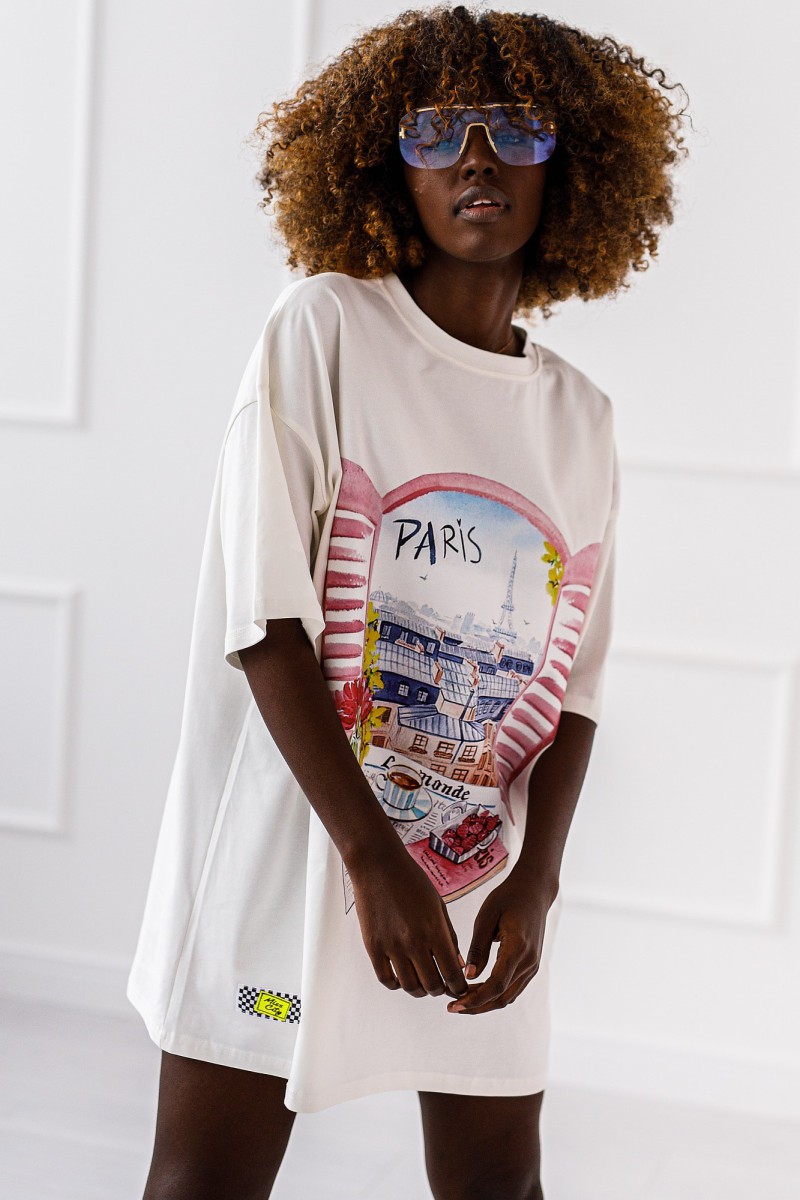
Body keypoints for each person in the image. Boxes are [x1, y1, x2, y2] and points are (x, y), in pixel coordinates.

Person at [128, 6, 688, 1198]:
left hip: (477, 876)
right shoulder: (324, 328)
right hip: (296, 858)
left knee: (498, 1186)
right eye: (436, 132)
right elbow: (266, 621)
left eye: (514, 130)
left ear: (572, 162)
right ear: (388, 166)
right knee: (203, 1183)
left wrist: (535, 882)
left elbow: (573, 688)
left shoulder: (579, 417)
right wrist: (371, 862)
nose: (476, 158)